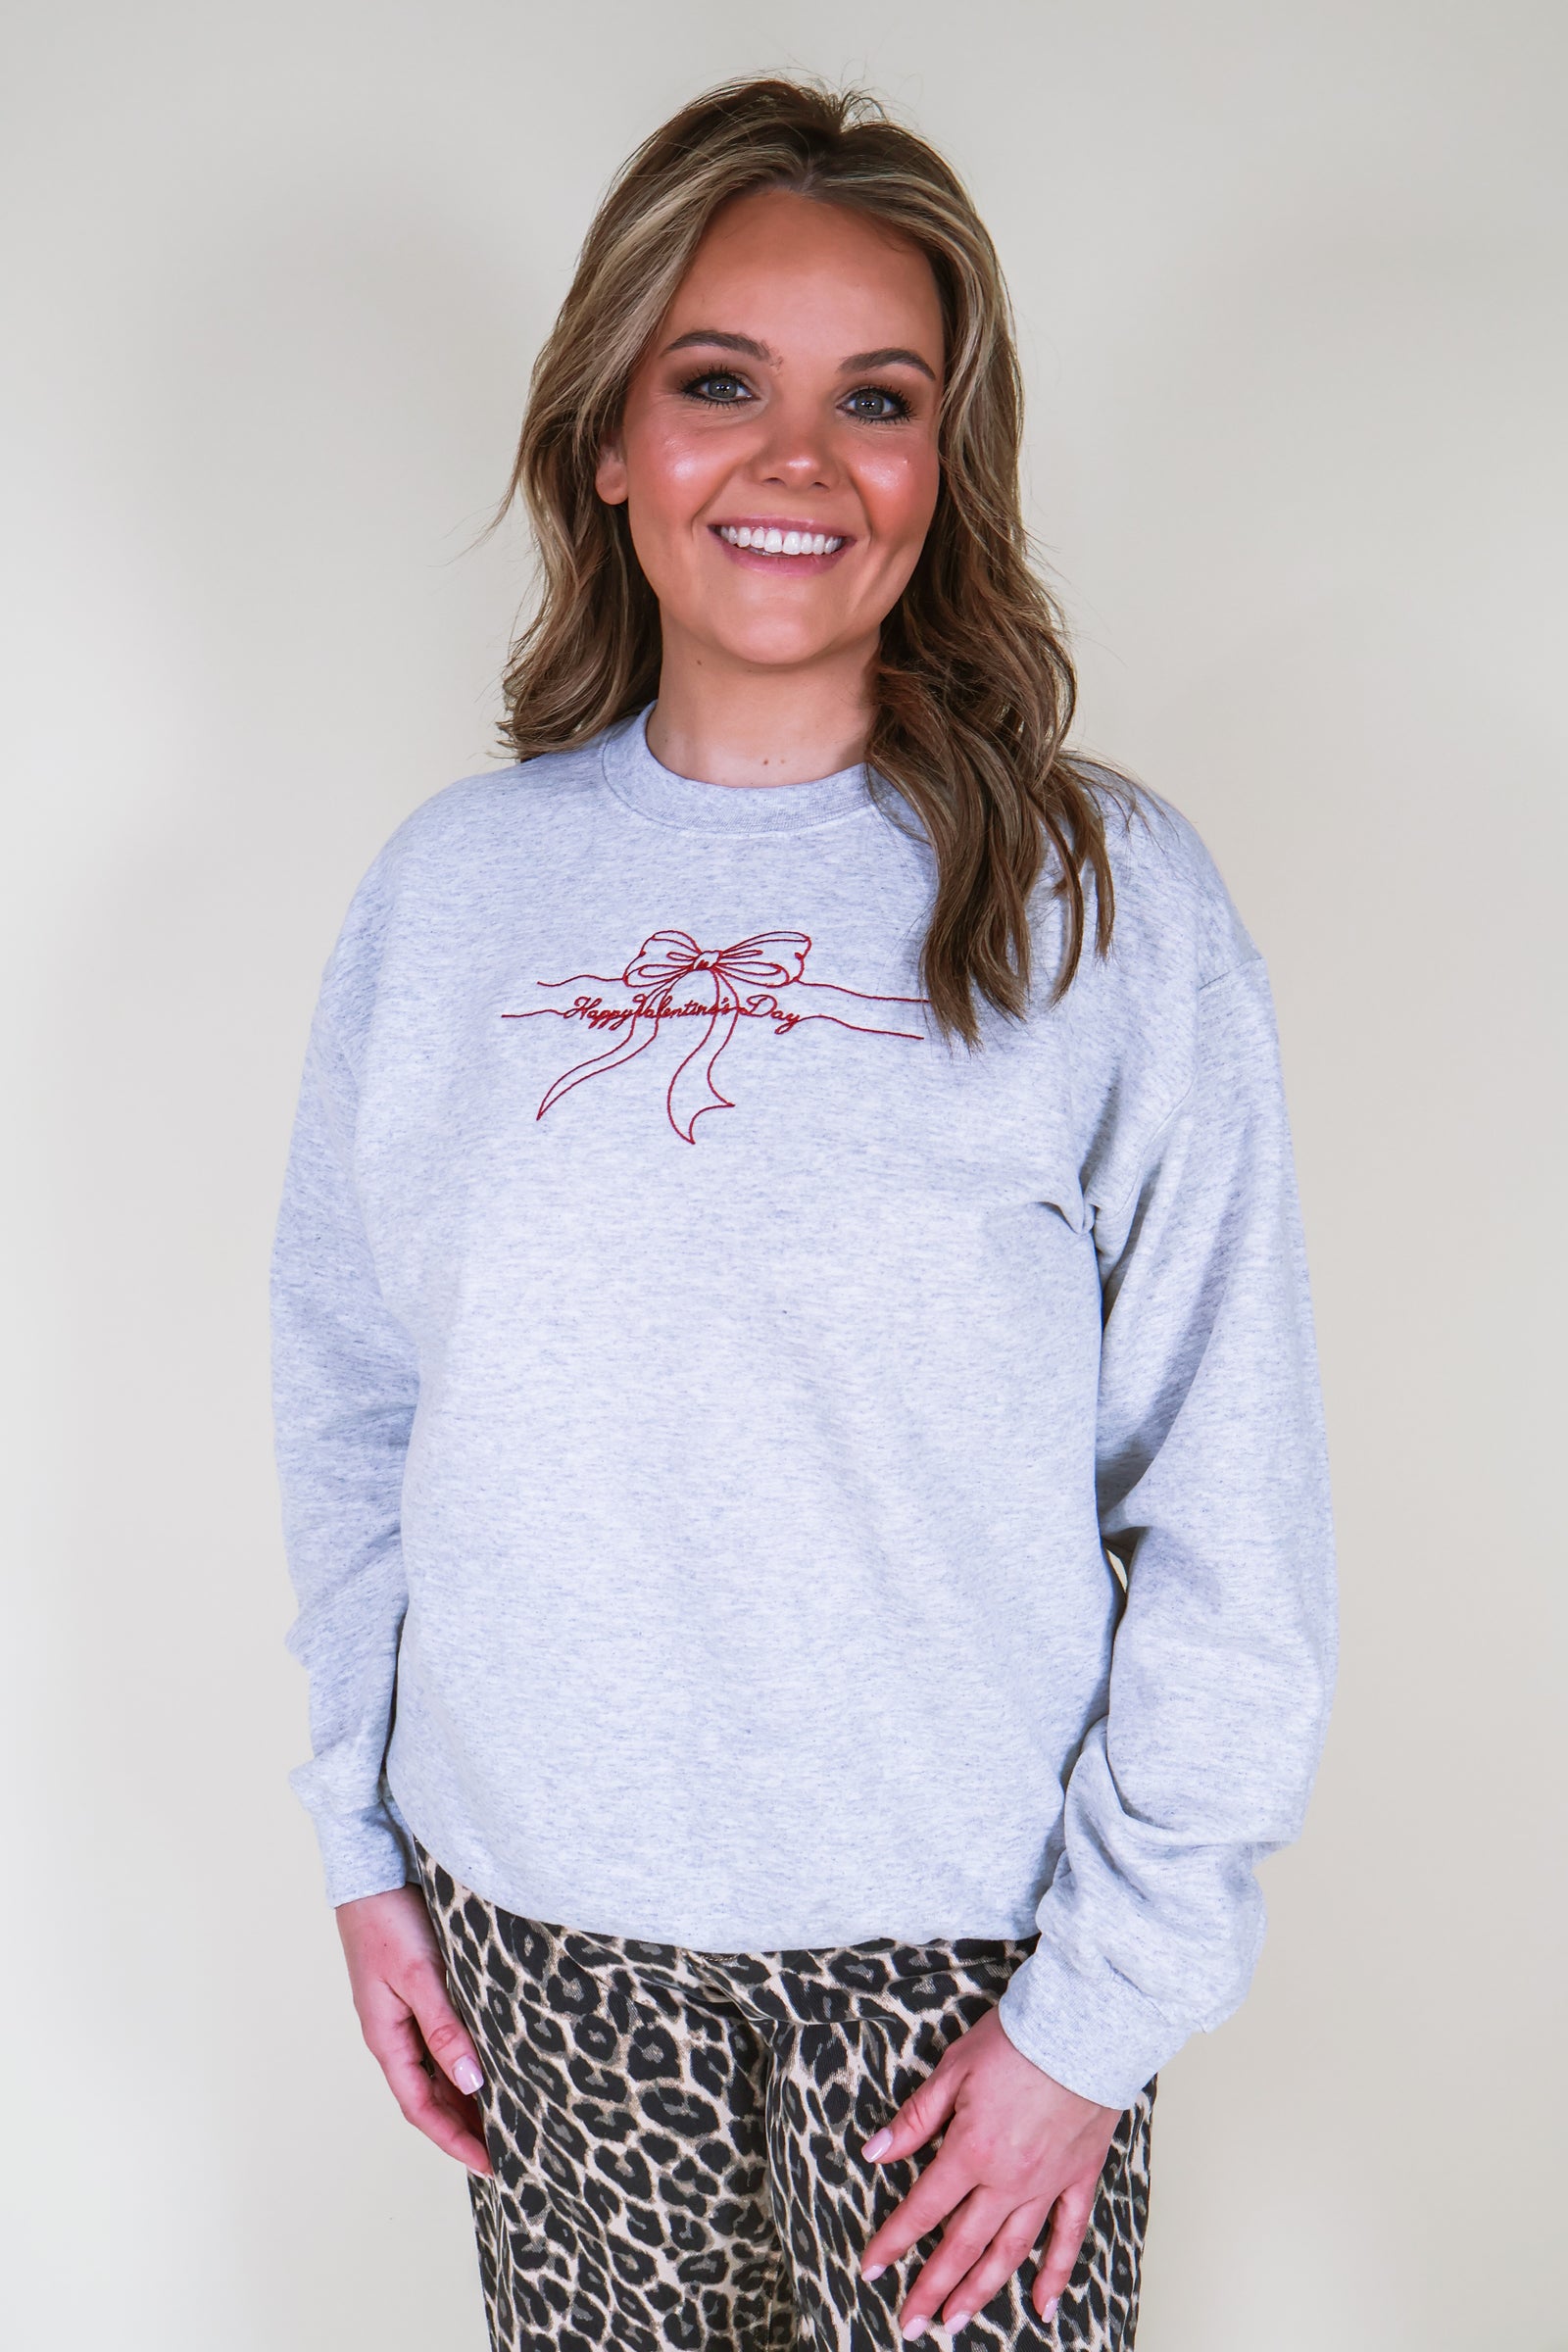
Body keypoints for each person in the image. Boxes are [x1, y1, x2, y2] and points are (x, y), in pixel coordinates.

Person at [270, 76, 1336, 2352]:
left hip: (966, 1976)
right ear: (607, 438)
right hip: (539, 1941)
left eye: (876, 398)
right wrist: (360, 1843)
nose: (795, 461)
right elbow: (356, 1410)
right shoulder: (453, 900)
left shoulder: (1095, 905)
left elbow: (1226, 1494)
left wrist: (1096, 2016)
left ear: (943, 467)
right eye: (716, 382)